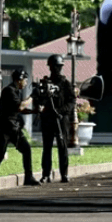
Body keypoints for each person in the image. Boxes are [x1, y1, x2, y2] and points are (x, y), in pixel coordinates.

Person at [0, 69, 40, 186]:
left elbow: (17, 108)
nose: (26, 83)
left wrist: (33, 111)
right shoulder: (9, 90)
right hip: (7, 127)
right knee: (3, 154)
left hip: (9, 127)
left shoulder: (14, 91)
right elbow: (19, 107)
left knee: (19, 150)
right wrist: (32, 96)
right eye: (25, 80)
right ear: (19, 79)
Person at [37, 54, 75, 184]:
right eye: (54, 67)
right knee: (47, 147)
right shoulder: (45, 83)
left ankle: (64, 174)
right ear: (50, 67)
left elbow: (71, 102)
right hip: (47, 119)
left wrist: (60, 111)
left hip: (61, 119)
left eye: (58, 66)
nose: (56, 69)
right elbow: (39, 100)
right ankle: (46, 174)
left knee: (62, 146)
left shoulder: (66, 84)